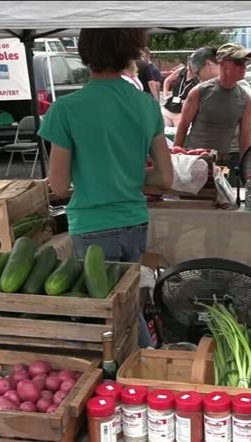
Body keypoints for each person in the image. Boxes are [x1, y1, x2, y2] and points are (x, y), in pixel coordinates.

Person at [39, 28, 173, 347]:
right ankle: (144, 365)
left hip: (91, 225)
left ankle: (142, 363)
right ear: (130, 53)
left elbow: (57, 185)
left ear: (84, 55)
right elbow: (166, 179)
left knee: (104, 312)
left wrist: (98, 176)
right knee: (126, 304)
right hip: (134, 221)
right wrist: (124, 177)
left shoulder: (66, 109)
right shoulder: (145, 104)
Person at [175, 44, 251, 166]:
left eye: (245, 62)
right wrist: (176, 158)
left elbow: (244, 138)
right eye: (238, 62)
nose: (244, 67)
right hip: (196, 159)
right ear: (223, 64)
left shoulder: (245, 98)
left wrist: (247, 167)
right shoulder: (199, 92)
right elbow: (183, 125)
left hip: (227, 161)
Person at [162, 62, 198, 127]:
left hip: (183, 111)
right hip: (170, 107)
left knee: (178, 133)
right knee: (163, 130)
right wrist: (165, 95)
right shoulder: (181, 71)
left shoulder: (199, 77)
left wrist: (189, 102)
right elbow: (167, 81)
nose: (189, 68)